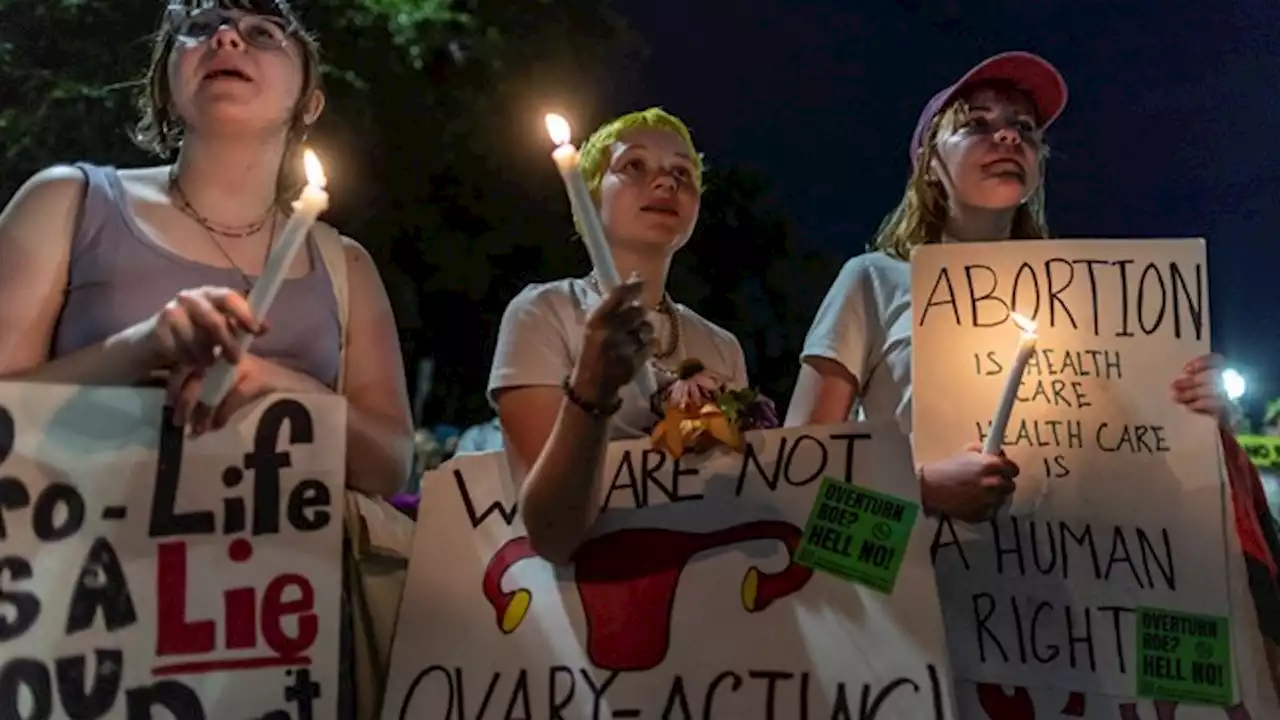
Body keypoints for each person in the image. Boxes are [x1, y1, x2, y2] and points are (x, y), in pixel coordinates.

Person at [786, 49, 1280, 709]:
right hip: (918, 634)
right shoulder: (874, 281)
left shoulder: (1100, 312)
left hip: (1065, 652)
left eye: (1024, 127)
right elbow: (796, 469)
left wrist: (1198, 415)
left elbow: (1148, 485)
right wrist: (924, 488)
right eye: (977, 124)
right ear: (930, 166)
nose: (1008, 136)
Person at [0, 0, 413, 496]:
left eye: (263, 33)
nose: (226, 38)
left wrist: (280, 386)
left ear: (310, 103)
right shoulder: (66, 203)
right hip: (81, 560)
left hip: (275, 571)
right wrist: (142, 347)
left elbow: (389, 466)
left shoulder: (344, 264)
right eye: (198, 28)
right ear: (167, 88)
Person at [489, 107, 748, 563]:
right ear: (587, 196)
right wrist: (592, 387)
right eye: (634, 165)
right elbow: (551, 532)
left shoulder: (720, 346)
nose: (667, 183)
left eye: (682, 173)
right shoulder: (546, 313)